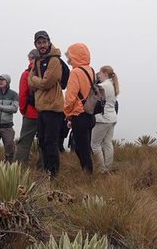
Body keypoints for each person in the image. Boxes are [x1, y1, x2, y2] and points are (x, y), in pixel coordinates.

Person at [27, 30, 66, 177]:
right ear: (35, 44)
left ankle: (53, 174)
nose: (42, 45)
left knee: (51, 142)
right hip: (41, 108)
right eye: (39, 43)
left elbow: (47, 82)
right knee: (42, 141)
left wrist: (37, 81)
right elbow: (30, 83)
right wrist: (38, 81)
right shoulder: (37, 60)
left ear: (49, 42)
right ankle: (46, 170)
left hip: (53, 108)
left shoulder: (54, 60)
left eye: (44, 42)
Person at [63, 43, 96, 174]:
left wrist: (67, 113)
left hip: (79, 115)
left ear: (75, 55)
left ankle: (88, 176)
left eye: (70, 55)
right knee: (85, 147)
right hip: (90, 114)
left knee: (81, 149)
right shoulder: (91, 70)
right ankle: (88, 173)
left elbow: (70, 97)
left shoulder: (75, 72)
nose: (68, 59)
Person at [90, 65, 120, 173]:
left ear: (105, 74)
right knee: (107, 143)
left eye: (100, 73)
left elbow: (93, 100)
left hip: (102, 118)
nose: (99, 75)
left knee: (95, 144)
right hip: (112, 118)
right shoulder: (113, 85)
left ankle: (101, 170)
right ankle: (108, 167)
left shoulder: (102, 86)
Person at [14, 49, 40, 164]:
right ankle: (44, 169)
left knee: (24, 143)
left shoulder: (26, 74)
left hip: (31, 113)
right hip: (45, 113)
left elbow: (23, 95)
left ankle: (19, 168)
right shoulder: (47, 73)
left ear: (30, 58)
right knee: (44, 142)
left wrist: (23, 110)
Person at [0, 74, 19, 161]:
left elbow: (14, 108)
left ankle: (8, 169)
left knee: (10, 151)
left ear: (8, 82)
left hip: (7, 127)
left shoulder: (14, 94)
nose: (0, 82)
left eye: (3, 80)